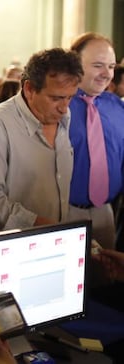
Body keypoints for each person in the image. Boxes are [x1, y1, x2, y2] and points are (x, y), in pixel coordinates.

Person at [0, 48, 83, 234]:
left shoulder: (64, 116)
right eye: (57, 98)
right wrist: (41, 225)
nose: (64, 107)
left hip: (54, 239)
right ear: (29, 89)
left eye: (70, 97)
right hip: (8, 248)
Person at [68, 32, 124, 251]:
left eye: (111, 67)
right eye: (98, 65)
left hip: (106, 213)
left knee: (105, 281)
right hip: (63, 213)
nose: (106, 74)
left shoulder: (118, 108)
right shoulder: (56, 108)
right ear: (74, 64)